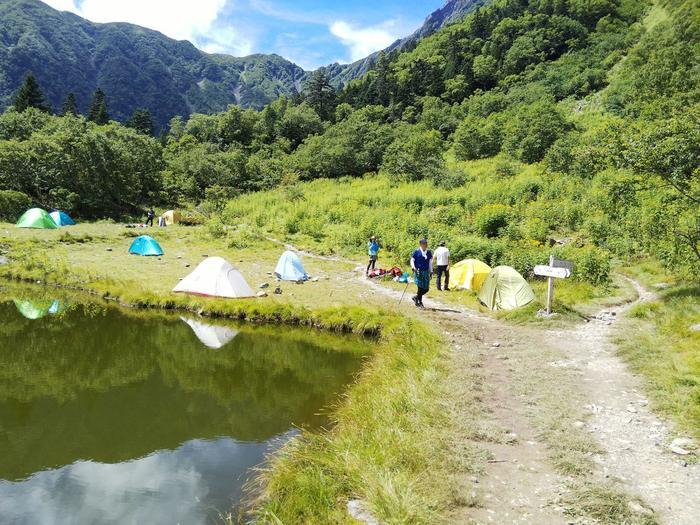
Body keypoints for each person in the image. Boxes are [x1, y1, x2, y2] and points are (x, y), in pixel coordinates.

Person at [410, 238, 433, 308]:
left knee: (426, 289)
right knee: (420, 288)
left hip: (426, 272)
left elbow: (430, 263)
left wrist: (431, 271)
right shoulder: (416, 252)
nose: (425, 245)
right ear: (420, 244)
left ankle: (416, 297)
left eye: (426, 243)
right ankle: (420, 303)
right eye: (423, 244)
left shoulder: (428, 252)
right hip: (418, 271)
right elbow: (412, 260)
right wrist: (413, 267)